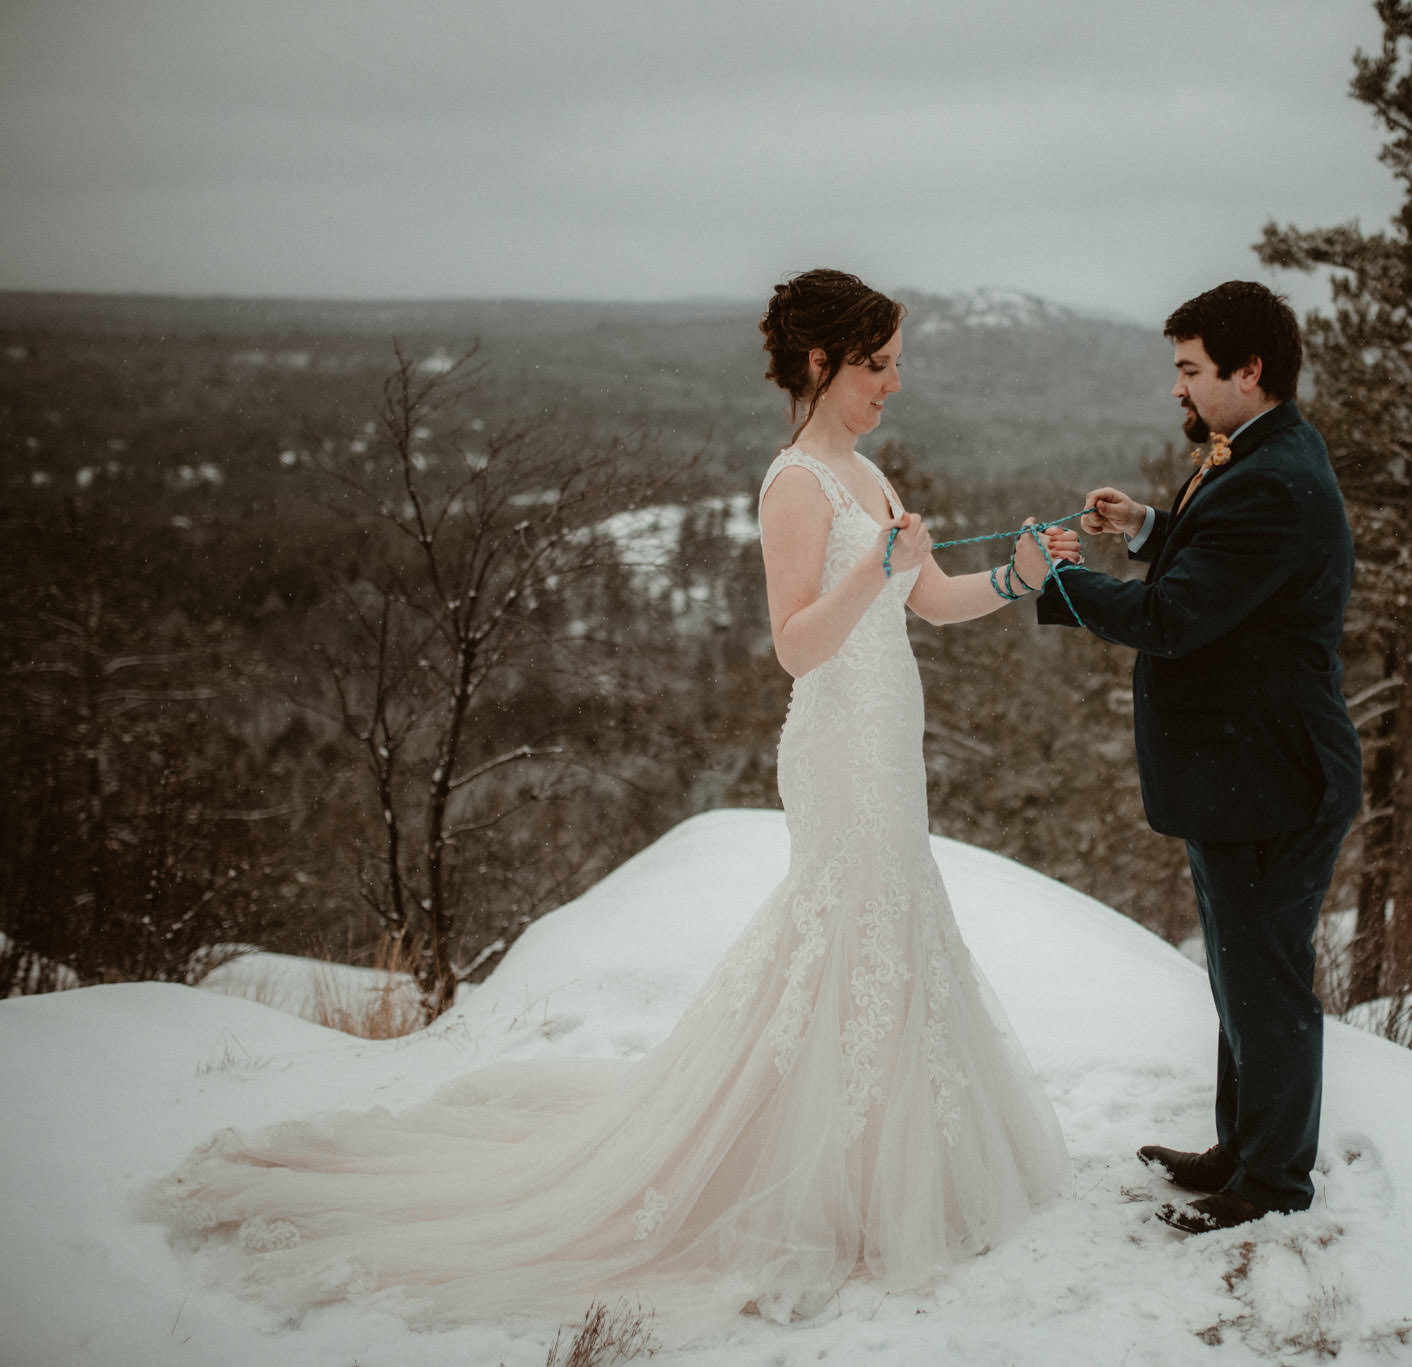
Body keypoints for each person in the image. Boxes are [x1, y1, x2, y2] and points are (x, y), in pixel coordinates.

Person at [147, 268, 1075, 1325]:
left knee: (893, 927)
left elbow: (933, 601)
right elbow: (794, 644)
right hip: (836, 751)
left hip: (889, 743)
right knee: (843, 933)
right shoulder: (794, 485)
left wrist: (1019, 571)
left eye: (896, 363)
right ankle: (805, 1170)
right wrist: (877, 574)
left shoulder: (867, 472)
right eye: (878, 365)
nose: (893, 384)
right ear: (820, 363)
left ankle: (880, 1162)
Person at [1036, 280, 1362, 1233]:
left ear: (1246, 370)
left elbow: (1178, 616)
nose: (1178, 389)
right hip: (1243, 771)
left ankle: (1272, 1185)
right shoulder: (1262, 453)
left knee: (1267, 983)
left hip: (1273, 775)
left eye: (1190, 371)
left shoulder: (1270, 476)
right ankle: (1242, 1150)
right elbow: (1219, 563)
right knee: (1239, 974)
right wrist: (1146, 528)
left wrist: (1059, 583)